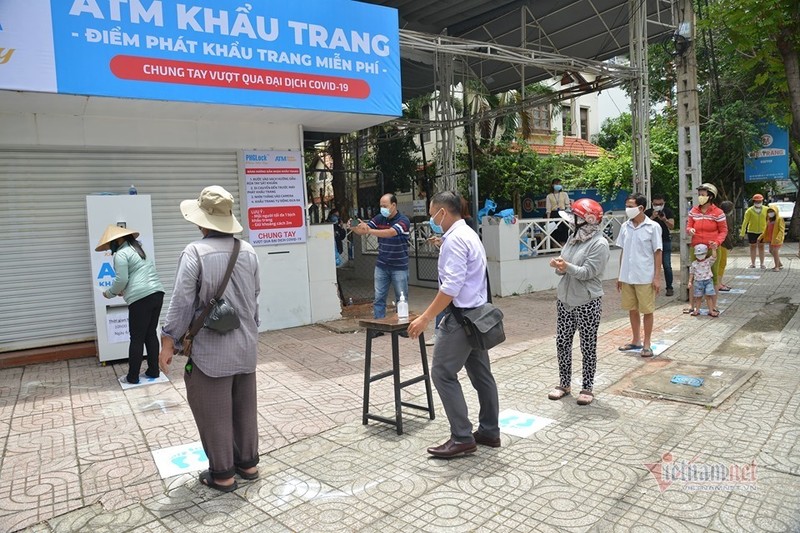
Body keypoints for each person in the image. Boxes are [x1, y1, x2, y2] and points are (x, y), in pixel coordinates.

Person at [158, 186, 261, 493]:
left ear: (201, 221)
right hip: (245, 345)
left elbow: (181, 303)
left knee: (212, 409)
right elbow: (254, 299)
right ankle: (249, 464)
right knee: (244, 407)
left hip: (211, 350)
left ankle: (223, 474)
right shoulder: (249, 250)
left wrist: (168, 340)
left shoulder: (194, 252)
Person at [407, 191, 500, 458]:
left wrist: (425, 317)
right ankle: (490, 431)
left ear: (442, 213)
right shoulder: (468, 234)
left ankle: (462, 437)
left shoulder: (455, 240)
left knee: (442, 374)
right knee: (482, 376)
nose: (431, 218)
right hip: (477, 317)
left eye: (432, 213)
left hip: (461, 319)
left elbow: (451, 287)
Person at [547, 198, 610, 406]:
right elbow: (565, 265)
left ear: (587, 220)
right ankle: (564, 384)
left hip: (587, 301)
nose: (571, 221)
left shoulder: (599, 244)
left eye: (575, 217)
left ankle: (587, 387)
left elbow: (589, 273)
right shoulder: (573, 237)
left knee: (587, 345)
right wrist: (559, 265)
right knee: (563, 342)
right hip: (565, 300)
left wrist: (566, 266)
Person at [95, 225, 165, 385]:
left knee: (137, 338)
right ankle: (154, 370)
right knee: (151, 334)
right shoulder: (139, 250)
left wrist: (109, 293)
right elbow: (136, 277)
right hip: (157, 294)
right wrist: (123, 290)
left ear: (118, 240)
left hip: (140, 299)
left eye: (110, 243)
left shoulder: (121, 254)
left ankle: (133, 377)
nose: (110, 248)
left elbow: (121, 280)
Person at [616, 193, 662, 358]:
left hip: (645, 276)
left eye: (630, 206)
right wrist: (620, 275)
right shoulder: (625, 227)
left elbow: (658, 253)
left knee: (647, 310)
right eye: (627, 206)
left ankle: (647, 344)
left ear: (641, 208)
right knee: (632, 309)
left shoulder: (653, 227)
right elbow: (623, 252)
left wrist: (657, 277)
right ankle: (636, 340)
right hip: (628, 276)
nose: (627, 209)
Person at [350, 193, 411, 320]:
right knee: (379, 298)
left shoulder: (403, 220)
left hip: (399, 267)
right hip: (382, 266)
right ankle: (378, 325)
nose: (382, 208)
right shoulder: (379, 218)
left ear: (393, 205)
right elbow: (363, 229)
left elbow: (390, 233)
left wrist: (369, 230)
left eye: (385, 206)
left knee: (401, 298)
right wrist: (353, 224)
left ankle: (402, 325)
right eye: (380, 206)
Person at [686, 183, 728, 291]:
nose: (700, 197)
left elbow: (723, 231)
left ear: (710, 196)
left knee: (713, 276)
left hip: (712, 248)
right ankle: (695, 304)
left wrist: (717, 242)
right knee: (695, 274)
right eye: (699, 194)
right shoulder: (693, 211)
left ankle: (713, 306)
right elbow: (688, 226)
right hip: (696, 247)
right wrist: (690, 230)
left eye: (703, 194)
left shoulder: (718, 213)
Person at [644, 194, 675, 296]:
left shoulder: (667, 211)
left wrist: (664, 219)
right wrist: (652, 217)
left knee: (667, 265)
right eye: (656, 204)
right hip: (651, 243)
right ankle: (650, 286)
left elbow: (672, 226)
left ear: (664, 203)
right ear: (652, 203)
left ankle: (669, 287)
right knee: (651, 265)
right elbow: (643, 226)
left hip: (665, 241)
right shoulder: (648, 212)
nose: (658, 206)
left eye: (660, 204)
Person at [688, 243, 718, 317]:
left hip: (708, 281)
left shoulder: (708, 261)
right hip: (698, 282)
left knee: (708, 296)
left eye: (702, 254)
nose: (700, 256)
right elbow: (691, 273)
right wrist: (689, 281)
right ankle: (697, 310)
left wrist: (714, 249)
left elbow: (714, 257)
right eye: (698, 254)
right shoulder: (694, 263)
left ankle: (711, 310)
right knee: (698, 297)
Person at [740, 193, 768, 269]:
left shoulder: (766, 209)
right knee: (752, 247)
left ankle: (762, 263)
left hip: (762, 231)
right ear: (753, 201)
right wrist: (742, 232)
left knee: (761, 247)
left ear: (762, 201)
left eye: (759, 201)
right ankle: (753, 263)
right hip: (752, 231)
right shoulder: (749, 210)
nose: (758, 203)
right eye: (756, 201)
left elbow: (768, 221)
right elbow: (745, 222)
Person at [758, 205, 785, 271]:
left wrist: (778, 237)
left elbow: (782, 230)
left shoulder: (779, 219)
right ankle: (779, 263)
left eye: (772, 211)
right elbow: (765, 230)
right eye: (769, 212)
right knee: (771, 251)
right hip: (771, 239)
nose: (770, 213)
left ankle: (777, 267)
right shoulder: (769, 220)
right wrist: (760, 237)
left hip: (777, 239)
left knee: (775, 251)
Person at [546, 178, 571, 245]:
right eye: (556, 184)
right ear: (552, 185)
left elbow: (568, 205)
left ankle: (563, 246)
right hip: (554, 214)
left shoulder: (564, 194)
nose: (558, 185)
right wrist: (548, 220)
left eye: (559, 184)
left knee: (564, 231)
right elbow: (548, 209)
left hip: (563, 213)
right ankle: (555, 247)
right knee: (555, 232)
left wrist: (568, 215)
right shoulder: (549, 196)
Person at [717, 200, 735, 292]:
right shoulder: (726, 218)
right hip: (723, 243)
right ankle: (718, 283)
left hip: (719, 242)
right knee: (722, 263)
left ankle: (719, 282)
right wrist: (730, 244)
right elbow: (726, 232)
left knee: (720, 263)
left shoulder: (719, 216)